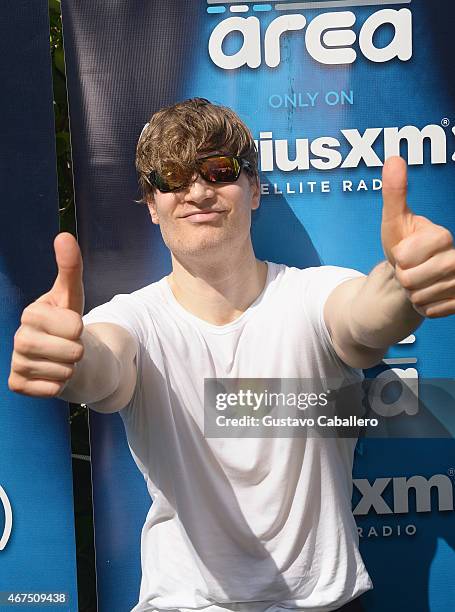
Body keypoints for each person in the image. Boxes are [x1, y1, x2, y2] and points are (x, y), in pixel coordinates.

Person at [8, 98, 455, 612]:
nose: (198, 191)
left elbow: (365, 321)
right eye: (173, 177)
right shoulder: (133, 319)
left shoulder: (314, 294)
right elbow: (105, 371)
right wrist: (70, 361)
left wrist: (405, 287)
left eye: (218, 170)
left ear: (255, 188)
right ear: (152, 205)